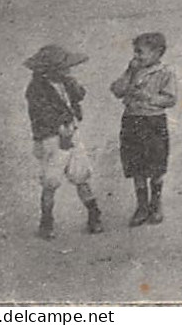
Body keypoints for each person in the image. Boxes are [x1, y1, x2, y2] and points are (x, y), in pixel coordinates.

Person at [24, 44, 104, 238]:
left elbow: (80, 95)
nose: (68, 70)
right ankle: (46, 221)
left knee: (81, 174)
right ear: (48, 71)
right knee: (50, 181)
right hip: (51, 138)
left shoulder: (65, 82)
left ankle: (94, 214)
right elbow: (41, 113)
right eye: (63, 68)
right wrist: (59, 127)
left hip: (71, 133)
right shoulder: (35, 90)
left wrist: (74, 85)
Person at [110, 32, 178, 226]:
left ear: (158, 53)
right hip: (132, 120)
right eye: (135, 52)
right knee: (136, 164)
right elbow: (116, 90)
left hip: (154, 121)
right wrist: (129, 73)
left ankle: (155, 203)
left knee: (156, 164)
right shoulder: (133, 70)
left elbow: (171, 99)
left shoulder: (165, 72)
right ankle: (141, 206)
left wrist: (149, 97)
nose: (136, 56)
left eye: (141, 52)